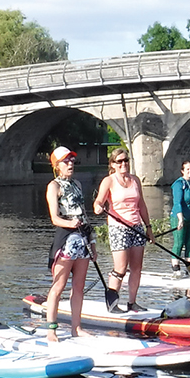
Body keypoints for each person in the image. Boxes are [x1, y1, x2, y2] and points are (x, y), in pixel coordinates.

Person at [44, 146, 94, 342]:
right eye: (66, 161)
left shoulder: (78, 184)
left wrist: (93, 241)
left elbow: (84, 214)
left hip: (82, 239)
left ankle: (76, 328)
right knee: (59, 286)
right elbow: (55, 218)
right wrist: (70, 223)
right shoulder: (53, 186)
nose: (70, 164)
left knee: (79, 287)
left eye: (72, 161)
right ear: (57, 166)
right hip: (65, 239)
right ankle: (51, 330)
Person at [93, 147, 152, 312]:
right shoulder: (109, 181)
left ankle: (132, 303)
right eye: (119, 161)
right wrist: (98, 207)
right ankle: (113, 303)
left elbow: (141, 205)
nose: (124, 164)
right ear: (113, 164)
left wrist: (148, 228)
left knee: (137, 267)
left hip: (136, 227)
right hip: (118, 228)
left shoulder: (135, 180)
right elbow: (99, 201)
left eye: (126, 160)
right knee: (120, 268)